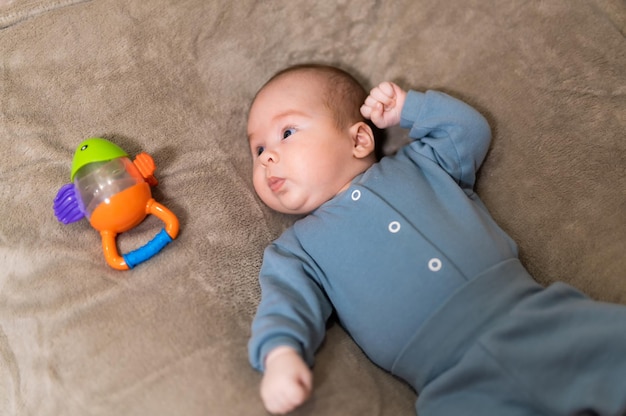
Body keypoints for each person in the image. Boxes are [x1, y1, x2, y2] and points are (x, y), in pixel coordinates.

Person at [246, 64, 626, 415]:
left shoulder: (422, 165)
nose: (266, 158)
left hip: (539, 319)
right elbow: (285, 304)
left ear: (360, 138)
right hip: (450, 384)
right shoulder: (295, 250)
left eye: (287, 133)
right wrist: (280, 356)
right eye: (258, 149)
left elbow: (467, 130)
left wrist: (407, 108)